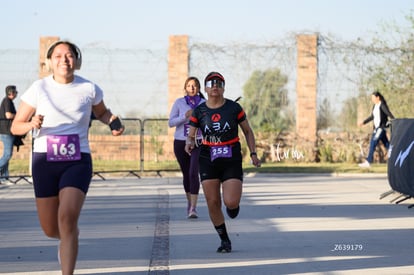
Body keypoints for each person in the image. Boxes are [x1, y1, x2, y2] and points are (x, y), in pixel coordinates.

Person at [11, 40, 124, 275]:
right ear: (50, 62)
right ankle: (67, 238)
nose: (64, 59)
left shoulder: (89, 88)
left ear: (77, 60)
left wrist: (112, 122)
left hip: (77, 159)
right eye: (59, 56)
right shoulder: (38, 88)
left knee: (67, 217)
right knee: (51, 228)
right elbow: (15, 126)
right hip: (44, 161)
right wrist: (31, 123)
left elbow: (101, 112)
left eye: (69, 55)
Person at [184, 71, 261, 253]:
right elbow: (192, 134)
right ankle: (224, 239)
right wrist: (189, 143)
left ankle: (233, 206)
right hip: (207, 157)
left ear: (223, 87)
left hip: (231, 156)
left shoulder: (234, 108)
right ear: (206, 89)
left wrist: (253, 153)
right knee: (212, 201)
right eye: (211, 84)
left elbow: (248, 131)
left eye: (219, 84)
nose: (215, 87)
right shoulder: (199, 111)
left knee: (231, 202)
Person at [168, 76, 205, 218]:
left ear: (199, 88)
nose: (192, 88)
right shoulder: (179, 103)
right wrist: (185, 116)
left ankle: (194, 208)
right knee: (186, 174)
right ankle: (189, 203)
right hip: (180, 141)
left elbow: (207, 123)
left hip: (198, 141)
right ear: (185, 88)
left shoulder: (203, 103)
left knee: (193, 172)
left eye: (195, 85)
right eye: (189, 86)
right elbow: (171, 123)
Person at [358, 90, 394, 168]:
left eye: (373, 98)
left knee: (373, 142)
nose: (372, 99)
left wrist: (395, 121)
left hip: (381, 128)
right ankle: (395, 156)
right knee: (387, 144)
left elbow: (388, 113)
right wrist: (363, 122)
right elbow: (372, 117)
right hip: (377, 128)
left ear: (378, 97)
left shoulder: (382, 105)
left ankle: (368, 161)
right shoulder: (375, 106)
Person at [0, 85, 18, 185]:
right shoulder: (7, 101)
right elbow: (8, 115)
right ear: (11, 93)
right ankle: (3, 177)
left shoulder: (7, 101)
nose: (16, 94)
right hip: (6, 131)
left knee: (6, 155)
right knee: (7, 155)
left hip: (7, 131)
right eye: (16, 92)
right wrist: (19, 115)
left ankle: (4, 178)